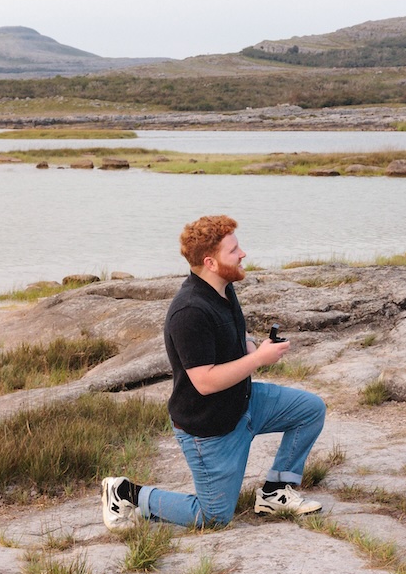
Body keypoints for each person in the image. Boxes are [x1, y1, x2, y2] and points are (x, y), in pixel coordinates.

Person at [101, 214, 326, 530]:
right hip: (209, 427)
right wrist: (258, 360)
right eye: (233, 250)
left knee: (310, 409)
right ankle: (126, 493)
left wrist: (253, 348)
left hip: (244, 403)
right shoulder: (189, 312)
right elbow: (205, 382)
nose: (243, 254)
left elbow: (236, 333)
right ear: (210, 262)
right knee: (214, 516)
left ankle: (275, 492)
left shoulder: (223, 287)